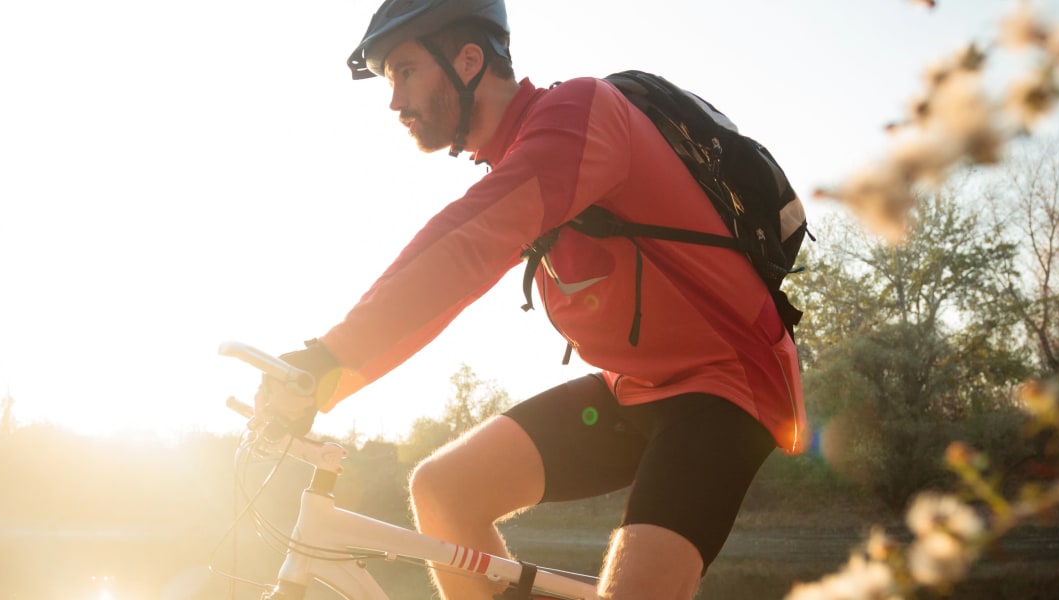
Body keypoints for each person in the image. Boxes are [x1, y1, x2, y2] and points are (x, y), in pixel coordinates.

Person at [256, 0, 808, 597]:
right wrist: (328, 381)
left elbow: (465, 248)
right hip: (632, 389)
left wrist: (327, 360)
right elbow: (451, 281)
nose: (394, 102)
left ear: (469, 60)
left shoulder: (580, 114)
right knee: (444, 491)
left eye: (406, 71)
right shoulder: (520, 158)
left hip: (726, 387)